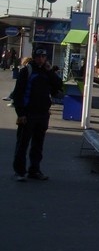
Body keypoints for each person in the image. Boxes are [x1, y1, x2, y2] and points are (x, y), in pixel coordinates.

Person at [11, 47, 63, 181]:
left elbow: (58, 85)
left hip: (43, 113)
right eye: (38, 56)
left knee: (38, 145)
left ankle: (34, 170)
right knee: (22, 144)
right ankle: (20, 171)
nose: (41, 59)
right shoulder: (26, 71)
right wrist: (20, 113)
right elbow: (18, 93)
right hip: (28, 114)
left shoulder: (46, 72)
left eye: (43, 57)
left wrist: (50, 70)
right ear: (34, 57)